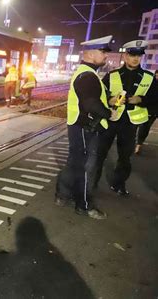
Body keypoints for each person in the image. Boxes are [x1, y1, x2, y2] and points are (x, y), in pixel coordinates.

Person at [55, 35, 116, 220]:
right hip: (85, 128)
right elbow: (90, 104)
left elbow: (91, 99)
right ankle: (84, 205)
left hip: (78, 126)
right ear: (90, 53)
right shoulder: (87, 76)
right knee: (87, 168)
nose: (106, 56)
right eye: (102, 51)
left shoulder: (86, 73)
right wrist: (108, 113)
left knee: (74, 163)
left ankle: (62, 195)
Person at [94, 40, 158, 196]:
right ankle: (92, 181)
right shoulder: (112, 75)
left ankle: (119, 184)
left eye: (138, 55)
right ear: (125, 55)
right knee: (100, 153)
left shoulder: (149, 78)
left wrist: (141, 100)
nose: (135, 58)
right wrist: (110, 99)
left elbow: (156, 98)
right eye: (132, 55)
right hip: (111, 119)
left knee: (125, 157)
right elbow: (100, 94)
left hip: (130, 123)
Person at [135, 69, 158, 154]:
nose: (157, 77)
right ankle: (136, 142)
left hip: (152, 111)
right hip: (143, 108)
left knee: (145, 127)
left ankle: (139, 144)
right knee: (135, 124)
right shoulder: (150, 84)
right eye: (156, 76)